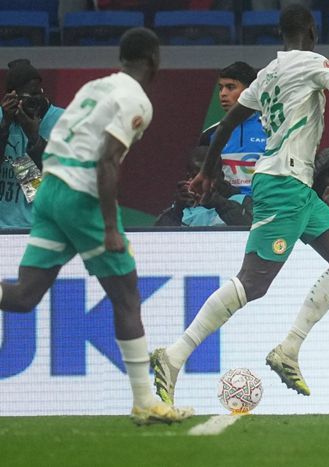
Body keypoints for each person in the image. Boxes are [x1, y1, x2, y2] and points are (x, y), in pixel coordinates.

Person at [150, 3, 329, 403]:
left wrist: (208, 170)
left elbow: (225, 126)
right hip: (282, 184)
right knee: (253, 282)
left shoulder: (267, 73)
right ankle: (174, 356)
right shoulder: (313, 63)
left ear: (281, 34)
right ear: (312, 31)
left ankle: (289, 350)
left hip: (298, 188)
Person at [0, 28, 192, 425]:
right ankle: (145, 402)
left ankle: (144, 402)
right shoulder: (136, 100)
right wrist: (109, 227)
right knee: (127, 297)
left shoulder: (93, 88)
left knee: (23, 296)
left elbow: (59, 144)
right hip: (81, 196)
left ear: (121, 59)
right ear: (154, 60)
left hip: (49, 191)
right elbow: (106, 161)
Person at [1, 59, 64, 229]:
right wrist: (5, 126)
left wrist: (34, 137)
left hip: (39, 227)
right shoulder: (2, 118)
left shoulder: (61, 120)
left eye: (38, 93)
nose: (35, 101)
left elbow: (62, 180)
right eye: (28, 96)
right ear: (12, 97)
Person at [199, 61, 267, 196]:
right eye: (220, 88)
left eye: (230, 87)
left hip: (264, 206)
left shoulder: (271, 130)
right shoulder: (209, 135)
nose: (223, 94)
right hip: (224, 207)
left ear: (250, 91)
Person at [154, 145, 252, 226]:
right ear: (189, 178)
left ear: (221, 176)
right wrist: (177, 210)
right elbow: (158, 239)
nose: (205, 183)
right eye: (196, 176)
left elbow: (253, 230)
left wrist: (220, 203)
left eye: (210, 177)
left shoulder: (241, 201)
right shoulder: (180, 207)